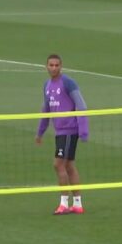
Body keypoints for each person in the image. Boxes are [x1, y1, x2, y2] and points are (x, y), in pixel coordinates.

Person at [35, 54, 89, 214]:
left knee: (58, 164)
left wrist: (83, 130)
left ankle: (64, 203)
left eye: (56, 65)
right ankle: (78, 204)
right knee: (69, 166)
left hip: (69, 130)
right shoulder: (47, 85)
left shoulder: (68, 83)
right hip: (60, 131)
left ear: (61, 66)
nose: (53, 68)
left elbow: (81, 105)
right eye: (51, 65)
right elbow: (46, 110)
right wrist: (40, 132)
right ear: (46, 66)